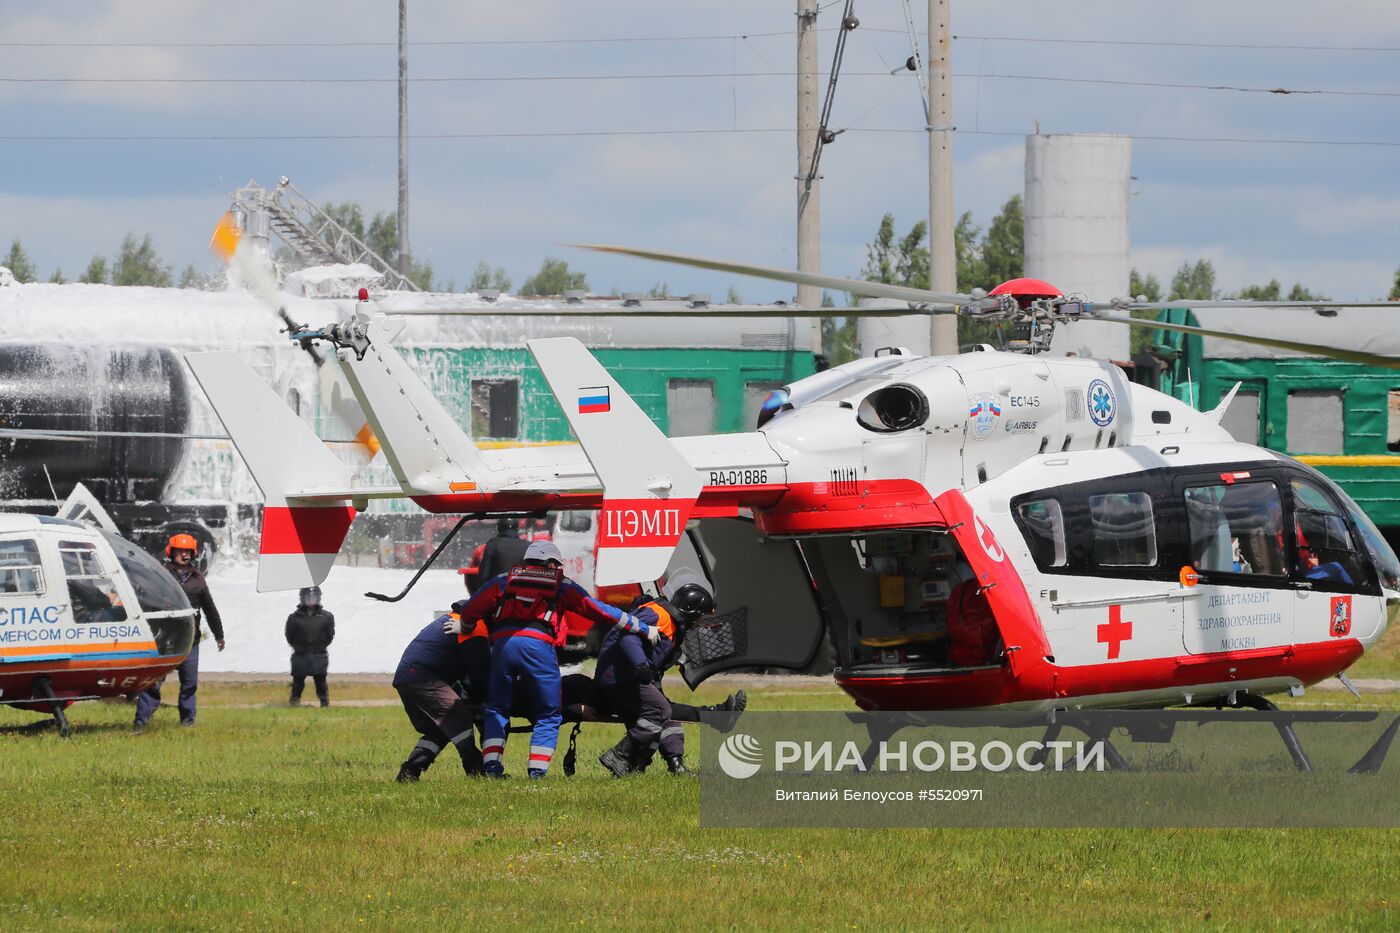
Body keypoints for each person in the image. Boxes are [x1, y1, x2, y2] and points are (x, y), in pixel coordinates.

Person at [450, 540, 655, 779]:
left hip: (503, 647)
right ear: (550, 564)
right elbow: (599, 610)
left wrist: (465, 626)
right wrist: (641, 627)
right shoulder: (561, 584)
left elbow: (472, 607)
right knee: (548, 713)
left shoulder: (504, 580)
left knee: (497, 709)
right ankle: (537, 773)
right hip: (537, 648)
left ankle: (492, 769)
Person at [595, 570, 722, 776]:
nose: (699, 621)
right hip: (619, 680)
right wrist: (641, 665)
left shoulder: (670, 620)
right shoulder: (659, 614)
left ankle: (638, 765)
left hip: (628, 678)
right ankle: (619, 755)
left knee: (663, 711)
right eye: (699, 616)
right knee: (660, 710)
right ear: (690, 610)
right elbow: (628, 637)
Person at [132, 533, 224, 732]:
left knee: (190, 684)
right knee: (153, 683)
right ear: (171, 552)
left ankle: (188, 722)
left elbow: (210, 609)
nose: (184, 555)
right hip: (165, 640)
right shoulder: (160, 575)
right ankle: (141, 722)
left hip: (190, 641)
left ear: (193, 554)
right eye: (180, 551)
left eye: (187, 551)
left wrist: (219, 635)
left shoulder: (198, 579)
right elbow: (145, 600)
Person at [392, 605, 490, 782]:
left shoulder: (454, 617)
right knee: (459, 716)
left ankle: (410, 772)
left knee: (440, 729)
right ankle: (476, 769)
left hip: (407, 677)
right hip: (422, 676)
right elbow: (478, 672)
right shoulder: (475, 626)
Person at [285, 586, 335, 707]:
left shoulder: (326, 617)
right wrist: (300, 647)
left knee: (320, 682)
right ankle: (294, 702)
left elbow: (330, 635)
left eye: (313, 597)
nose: (311, 600)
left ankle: (324, 703)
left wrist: (319, 646)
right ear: (302, 598)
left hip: (319, 654)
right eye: (308, 597)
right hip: (300, 655)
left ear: (318, 598)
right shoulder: (294, 618)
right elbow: (289, 636)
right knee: (298, 683)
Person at [474, 518, 529, 588]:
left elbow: (483, 575)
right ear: (517, 529)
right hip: (521, 591)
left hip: (499, 591)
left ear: (499, 529)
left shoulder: (493, 544)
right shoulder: (527, 546)